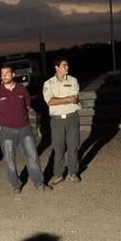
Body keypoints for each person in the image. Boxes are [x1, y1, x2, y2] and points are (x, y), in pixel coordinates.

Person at [0, 65, 50, 193]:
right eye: (2, 73)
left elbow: (27, 106)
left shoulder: (22, 89)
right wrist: (6, 119)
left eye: (7, 73)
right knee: (9, 158)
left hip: (24, 128)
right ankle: (16, 184)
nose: (4, 75)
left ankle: (39, 183)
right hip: (6, 130)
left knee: (32, 156)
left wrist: (18, 118)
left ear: (13, 74)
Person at [42, 56, 82, 184]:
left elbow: (75, 98)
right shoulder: (48, 84)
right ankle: (58, 174)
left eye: (67, 65)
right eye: (64, 65)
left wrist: (59, 100)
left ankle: (73, 173)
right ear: (57, 67)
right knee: (58, 148)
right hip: (57, 121)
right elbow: (50, 101)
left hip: (72, 118)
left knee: (73, 146)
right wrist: (66, 99)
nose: (67, 67)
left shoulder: (73, 80)